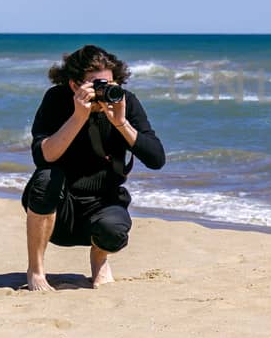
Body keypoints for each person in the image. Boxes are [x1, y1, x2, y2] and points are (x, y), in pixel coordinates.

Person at [23, 44, 165, 291]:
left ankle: (99, 259)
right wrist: (79, 117)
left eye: (108, 85)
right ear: (74, 85)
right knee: (46, 177)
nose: (103, 92)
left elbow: (156, 159)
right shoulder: (56, 100)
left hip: (102, 202)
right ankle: (36, 270)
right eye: (95, 85)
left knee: (115, 231)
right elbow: (43, 157)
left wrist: (120, 123)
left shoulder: (124, 103)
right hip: (58, 206)